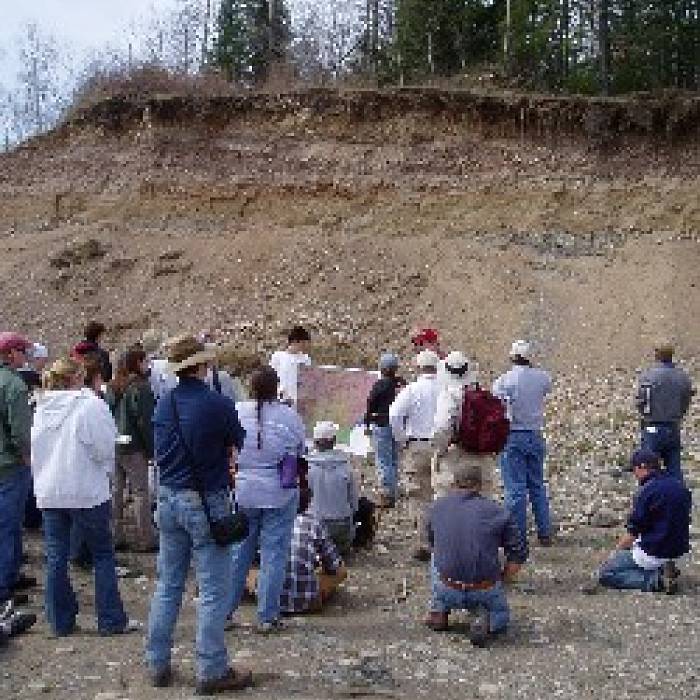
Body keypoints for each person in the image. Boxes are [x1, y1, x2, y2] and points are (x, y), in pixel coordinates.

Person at [145, 335, 250, 694]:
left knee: (169, 584)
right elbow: (239, 440)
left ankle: (157, 663)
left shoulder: (164, 405)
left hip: (169, 497)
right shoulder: (218, 404)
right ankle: (211, 669)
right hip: (206, 499)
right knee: (212, 589)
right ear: (203, 365)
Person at [31, 357, 136, 637]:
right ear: (77, 378)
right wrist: (106, 471)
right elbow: (103, 448)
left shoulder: (41, 406)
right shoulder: (89, 405)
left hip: (51, 489)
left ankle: (60, 621)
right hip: (85, 488)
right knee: (102, 555)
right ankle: (110, 619)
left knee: (56, 557)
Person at [229, 366, 305, 633]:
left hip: (245, 488)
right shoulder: (288, 416)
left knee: (240, 552)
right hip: (278, 490)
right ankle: (267, 615)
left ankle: (226, 611)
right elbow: (299, 450)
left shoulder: (237, 411)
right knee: (274, 554)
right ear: (276, 388)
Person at [424, 460, 527, 647]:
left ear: (453, 484)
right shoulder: (498, 511)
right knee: (500, 613)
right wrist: (503, 579)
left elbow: (432, 543)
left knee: (436, 556)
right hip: (484, 587)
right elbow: (518, 554)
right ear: (480, 486)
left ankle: (438, 610)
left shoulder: (436, 507)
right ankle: (489, 623)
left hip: (447, 585)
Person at [598, 449, 691, 594]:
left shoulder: (647, 491)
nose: (635, 475)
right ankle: (665, 569)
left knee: (607, 573)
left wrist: (613, 554)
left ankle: (656, 581)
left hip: (654, 551)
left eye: (634, 470)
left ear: (642, 467)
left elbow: (633, 531)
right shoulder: (679, 485)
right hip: (680, 549)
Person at [492, 340, 553, 547]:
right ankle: (545, 531)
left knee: (515, 488)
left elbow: (498, 407)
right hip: (535, 434)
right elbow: (546, 389)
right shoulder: (543, 378)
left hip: (513, 435)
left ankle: (517, 535)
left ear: (512, 356)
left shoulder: (503, 381)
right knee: (537, 485)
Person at [389, 349, 441, 561]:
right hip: (442, 446)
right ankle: (443, 540)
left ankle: (423, 542)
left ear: (418, 367)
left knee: (419, 496)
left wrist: (402, 439)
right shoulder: (446, 388)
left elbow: (394, 414)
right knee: (441, 493)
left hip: (417, 444)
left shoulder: (412, 389)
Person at [105, 347, 157, 552]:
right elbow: (144, 421)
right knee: (140, 492)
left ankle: (115, 535)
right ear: (137, 363)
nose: (148, 365)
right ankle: (145, 538)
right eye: (145, 361)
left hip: (114, 441)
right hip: (133, 445)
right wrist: (151, 449)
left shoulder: (112, 386)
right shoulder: (140, 388)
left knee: (116, 491)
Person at [432, 350, 497, 497]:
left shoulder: (449, 394)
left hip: (457, 453)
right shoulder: (479, 392)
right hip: (482, 454)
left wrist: (440, 451)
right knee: (482, 501)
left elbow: (443, 426)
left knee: (449, 501)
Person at [0, 332, 35, 605]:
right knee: (10, 524)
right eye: (22, 350)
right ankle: (5, 582)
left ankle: (10, 573)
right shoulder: (14, 385)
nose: (25, 355)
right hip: (10, 463)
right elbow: (20, 430)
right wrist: (27, 455)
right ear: (11, 354)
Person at [279, 491, 348, 614]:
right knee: (339, 572)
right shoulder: (314, 524)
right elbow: (336, 567)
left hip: (271, 601)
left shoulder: (273, 523)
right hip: (308, 602)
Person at [635, 343, 694, 482]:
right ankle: (678, 499)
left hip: (652, 426)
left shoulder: (648, 376)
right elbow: (686, 400)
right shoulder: (683, 377)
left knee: (648, 469)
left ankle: (650, 498)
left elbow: (641, 401)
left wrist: (644, 414)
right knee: (674, 468)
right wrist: (679, 414)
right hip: (673, 427)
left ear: (657, 355)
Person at [307, 421, 359, 555]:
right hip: (341, 526)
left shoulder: (307, 467)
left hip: (315, 525)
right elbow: (354, 503)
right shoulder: (346, 467)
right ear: (334, 440)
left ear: (315, 442)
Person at [365, 352, 405, 508]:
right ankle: (395, 489)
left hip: (382, 425)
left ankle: (388, 494)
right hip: (398, 425)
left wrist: (367, 424)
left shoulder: (380, 385)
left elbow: (370, 404)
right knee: (394, 458)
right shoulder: (401, 383)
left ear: (382, 368)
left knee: (383, 460)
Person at [269, 326, 311, 406]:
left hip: (299, 401)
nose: (305, 345)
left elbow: (308, 380)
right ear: (294, 341)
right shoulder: (278, 356)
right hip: (281, 399)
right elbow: (271, 378)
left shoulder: (306, 359)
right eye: (303, 343)